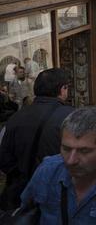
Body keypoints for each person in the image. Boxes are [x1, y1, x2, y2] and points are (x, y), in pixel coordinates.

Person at [0, 68, 74, 211]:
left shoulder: (16, 118)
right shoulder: (71, 117)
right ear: (62, 89)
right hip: (58, 195)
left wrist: (24, 174)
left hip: (24, 195)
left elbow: (4, 159)